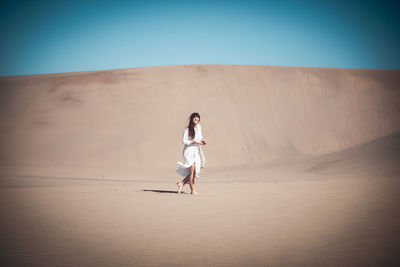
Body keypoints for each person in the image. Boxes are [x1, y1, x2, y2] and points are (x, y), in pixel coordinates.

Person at [176, 112, 207, 195]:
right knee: (192, 170)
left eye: (197, 118)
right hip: (188, 151)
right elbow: (184, 141)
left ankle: (181, 183)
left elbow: (199, 137)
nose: (196, 119)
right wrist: (194, 142)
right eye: (194, 118)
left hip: (196, 151)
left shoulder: (199, 127)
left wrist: (202, 142)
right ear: (192, 119)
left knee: (196, 170)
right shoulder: (188, 129)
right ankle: (193, 190)